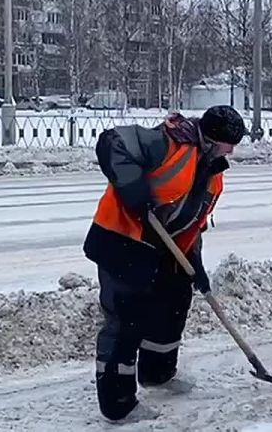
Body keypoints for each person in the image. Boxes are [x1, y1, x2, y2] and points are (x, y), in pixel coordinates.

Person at [83, 105, 247, 423]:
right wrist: (133, 187)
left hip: (166, 249)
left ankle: (157, 374)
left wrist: (194, 261)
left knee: (174, 302)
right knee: (126, 321)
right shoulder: (164, 142)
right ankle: (118, 404)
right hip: (124, 241)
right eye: (230, 143)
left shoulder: (211, 168)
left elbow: (192, 220)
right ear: (212, 139)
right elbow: (111, 142)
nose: (233, 150)